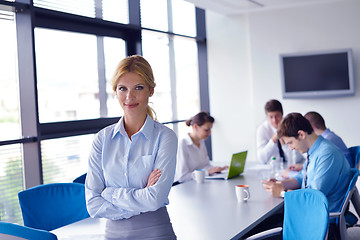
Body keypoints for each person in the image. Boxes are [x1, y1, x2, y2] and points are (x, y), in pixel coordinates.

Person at [85, 55, 177, 239]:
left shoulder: (165, 137)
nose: (129, 97)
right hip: (113, 235)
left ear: (151, 90)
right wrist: (141, 196)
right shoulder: (102, 139)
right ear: (115, 91)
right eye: (122, 89)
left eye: (139, 88)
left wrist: (109, 193)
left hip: (155, 234)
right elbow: (93, 204)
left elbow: (155, 199)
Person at [262, 113, 351, 239]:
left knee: (262, 227)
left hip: (319, 223)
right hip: (311, 215)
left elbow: (313, 198)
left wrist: (282, 193)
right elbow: (301, 177)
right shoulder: (315, 151)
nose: (291, 148)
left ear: (302, 135)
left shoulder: (327, 154)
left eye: (291, 142)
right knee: (268, 221)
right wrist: (280, 184)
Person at [174, 112, 228, 183]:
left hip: (200, 182)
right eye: (206, 130)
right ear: (196, 127)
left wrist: (217, 169)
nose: (209, 133)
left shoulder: (201, 142)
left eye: (210, 130)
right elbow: (182, 177)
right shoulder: (182, 145)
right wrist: (207, 172)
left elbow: (205, 165)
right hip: (186, 186)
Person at [256, 99, 304, 165]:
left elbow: (297, 159)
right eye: (271, 117)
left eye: (277, 116)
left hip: (291, 166)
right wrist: (273, 140)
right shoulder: (262, 129)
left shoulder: (290, 124)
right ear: (267, 116)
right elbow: (261, 159)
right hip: (272, 168)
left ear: (282, 114)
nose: (274, 120)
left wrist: (284, 144)